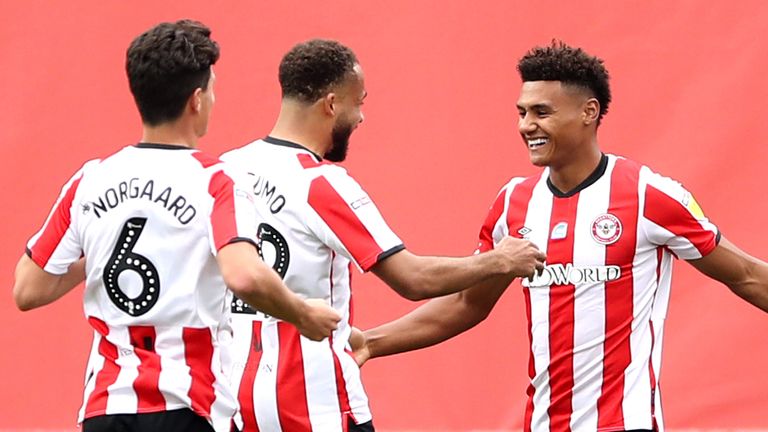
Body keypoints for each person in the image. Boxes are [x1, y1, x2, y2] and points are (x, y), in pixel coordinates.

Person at [351, 41, 768, 432]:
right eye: (521, 112)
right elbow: (466, 304)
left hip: (626, 422)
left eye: (541, 112)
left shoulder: (647, 195)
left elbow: (746, 275)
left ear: (588, 112)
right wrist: (370, 343)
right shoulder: (513, 202)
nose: (526, 125)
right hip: (543, 422)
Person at [12, 20, 341, 432]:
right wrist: (302, 315)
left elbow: (28, 289)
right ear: (197, 100)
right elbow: (243, 274)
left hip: (105, 409)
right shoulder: (216, 180)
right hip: (187, 405)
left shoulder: (90, 179)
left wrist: (102, 246)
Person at [220, 39, 546, 432]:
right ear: (331, 104)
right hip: (315, 408)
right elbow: (413, 279)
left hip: (234, 404)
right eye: (359, 102)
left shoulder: (224, 170)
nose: (361, 118)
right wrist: (500, 259)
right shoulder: (321, 184)